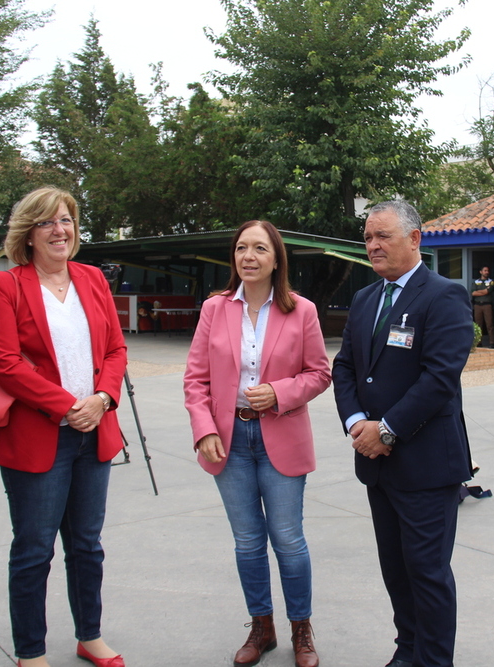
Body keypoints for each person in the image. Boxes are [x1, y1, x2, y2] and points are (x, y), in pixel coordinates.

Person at [0, 187, 128, 667]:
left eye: (65, 220)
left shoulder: (91, 279)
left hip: (95, 432)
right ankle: (31, 651)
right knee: (34, 550)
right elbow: (4, 362)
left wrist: (103, 399)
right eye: (47, 222)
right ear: (28, 233)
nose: (59, 230)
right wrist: (69, 406)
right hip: (37, 435)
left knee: (87, 546)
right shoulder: (9, 285)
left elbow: (115, 351)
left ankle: (90, 636)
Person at [183, 220, 331, 667]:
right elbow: (196, 379)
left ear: (275, 258)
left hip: (280, 434)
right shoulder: (214, 309)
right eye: (242, 248)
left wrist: (280, 393)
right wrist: (204, 428)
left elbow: (319, 372)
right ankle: (261, 627)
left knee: (287, 539)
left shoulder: (300, 310)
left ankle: (300, 629)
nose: (249, 256)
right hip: (229, 439)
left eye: (260, 248)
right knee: (247, 541)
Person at [332, 200, 473, 667]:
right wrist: (357, 425)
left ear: (414, 239)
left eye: (383, 236)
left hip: (426, 466)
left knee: (427, 574)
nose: (372, 246)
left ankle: (433, 661)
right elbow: (347, 367)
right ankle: (407, 649)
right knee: (396, 570)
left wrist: (387, 430)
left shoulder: (444, 295)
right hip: (376, 463)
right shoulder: (366, 298)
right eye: (368, 238)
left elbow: (439, 378)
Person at [470, 266, 494, 347]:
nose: (487, 272)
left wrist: (479, 291)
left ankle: (491, 343)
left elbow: (488, 291)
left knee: (489, 324)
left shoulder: (491, 282)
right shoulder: (476, 282)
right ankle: (478, 343)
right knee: (478, 324)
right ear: (481, 272)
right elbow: (473, 293)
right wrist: (483, 291)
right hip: (477, 305)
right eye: (485, 270)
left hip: (487, 305)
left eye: (487, 270)